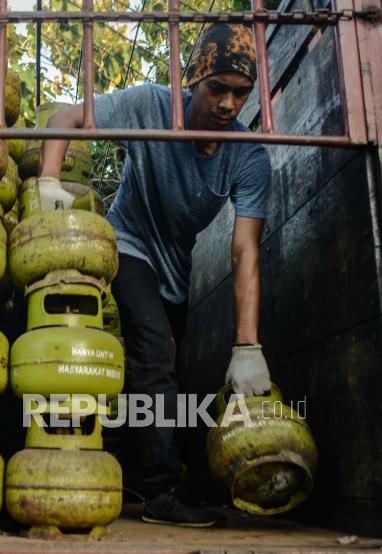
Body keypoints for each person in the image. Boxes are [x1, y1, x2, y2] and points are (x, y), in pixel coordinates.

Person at [38, 23, 272, 527]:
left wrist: (247, 346)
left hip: (176, 270)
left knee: (159, 371)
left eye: (240, 93)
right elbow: (67, 115)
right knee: (155, 348)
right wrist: (48, 181)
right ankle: (161, 492)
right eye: (217, 89)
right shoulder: (149, 105)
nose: (229, 104)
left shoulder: (248, 156)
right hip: (127, 242)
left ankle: (127, 473)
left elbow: (245, 251)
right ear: (192, 82)